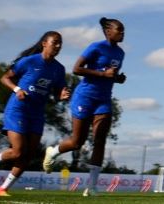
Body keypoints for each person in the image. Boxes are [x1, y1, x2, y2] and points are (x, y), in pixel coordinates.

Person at [43, 17, 126, 197]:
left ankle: (92, 186)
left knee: (100, 140)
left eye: (123, 31)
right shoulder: (95, 47)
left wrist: (117, 78)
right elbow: (77, 69)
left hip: (103, 100)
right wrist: (103, 74)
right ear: (108, 31)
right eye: (119, 30)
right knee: (77, 142)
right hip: (84, 97)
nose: (122, 33)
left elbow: (111, 74)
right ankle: (53, 151)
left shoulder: (120, 53)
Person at [0, 31, 70, 197]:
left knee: (28, 155)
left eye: (60, 44)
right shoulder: (29, 61)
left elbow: (59, 92)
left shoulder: (59, 69)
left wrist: (63, 95)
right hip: (18, 110)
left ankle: (2, 189)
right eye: (55, 42)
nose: (58, 46)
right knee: (17, 151)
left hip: (37, 114)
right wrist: (17, 89)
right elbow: (5, 78)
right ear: (45, 43)